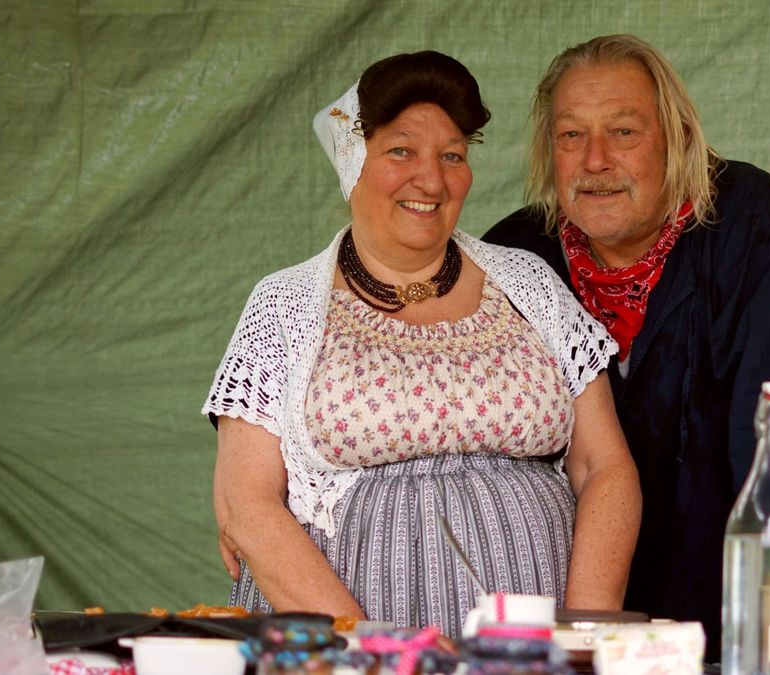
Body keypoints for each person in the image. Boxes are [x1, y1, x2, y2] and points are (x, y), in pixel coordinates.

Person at [202, 50, 640, 637]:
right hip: (343, 649)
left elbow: (604, 465)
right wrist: (370, 653)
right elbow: (248, 506)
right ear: (352, 160)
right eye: (401, 151)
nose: (432, 180)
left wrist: (583, 638)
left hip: (531, 650)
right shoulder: (283, 306)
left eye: (452, 155)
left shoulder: (530, 285)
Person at [483, 35, 770, 657]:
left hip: (726, 622)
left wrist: (768, 641)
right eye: (571, 135)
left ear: (678, 140)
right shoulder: (513, 261)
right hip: (560, 623)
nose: (595, 160)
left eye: (623, 132)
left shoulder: (753, 225)